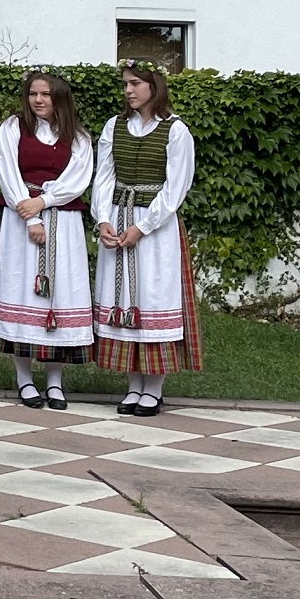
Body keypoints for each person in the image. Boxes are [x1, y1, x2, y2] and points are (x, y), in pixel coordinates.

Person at [0, 69, 95, 409]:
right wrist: (31, 216)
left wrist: (43, 202)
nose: (39, 100)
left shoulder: (79, 138)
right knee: (21, 291)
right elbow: (8, 172)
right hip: (20, 219)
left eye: (46, 95)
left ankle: (55, 382)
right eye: (33, 94)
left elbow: (77, 179)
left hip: (64, 223)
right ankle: (25, 380)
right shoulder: (13, 128)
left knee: (58, 297)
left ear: (60, 99)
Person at [92, 61, 202, 416]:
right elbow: (104, 177)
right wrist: (103, 219)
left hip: (156, 227)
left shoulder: (175, 131)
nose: (128, 90)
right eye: (125, 84)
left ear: (154, 86)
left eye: (135, 83)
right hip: (119, 217)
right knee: (121, 296)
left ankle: (153, 388)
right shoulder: (114, 126)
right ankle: (133, 386)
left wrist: (143, 227)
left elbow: (175, 188)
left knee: (153, 296)